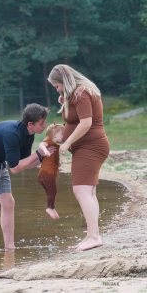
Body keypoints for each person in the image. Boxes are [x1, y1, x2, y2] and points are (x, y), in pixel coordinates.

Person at [0, 103, 55, 252]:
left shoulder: (29, 134)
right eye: (42, 123)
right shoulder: (12, 134)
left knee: (9, 203)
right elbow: (15, 168)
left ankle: (10, 248)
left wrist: (43, 158)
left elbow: (24, 164)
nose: (45, 126)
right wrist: (38, 154)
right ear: (31, 124)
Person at [48, 64, 110, 251]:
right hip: (88, 147)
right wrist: (65, 101)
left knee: (81, 191)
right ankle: (93, 234)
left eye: (57, 86)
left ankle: (94, 236)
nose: (56, 89)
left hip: (90, 147)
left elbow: (86, 123)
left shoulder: (81, 93)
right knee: (88, 192)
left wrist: (66, 143)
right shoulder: (76, 94)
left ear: (64, 81)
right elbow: (75, 118)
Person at [38, 123, 64, 219]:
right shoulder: (49, 142)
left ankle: (51, 207)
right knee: (53, 191)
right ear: (54, 135)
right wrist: (45, 151)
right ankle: (50, 208)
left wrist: (59, 164)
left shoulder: (56, 146)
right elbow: (41, 144)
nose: (64, 136)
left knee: (51, 192)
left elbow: (53, 160)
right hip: (46, 174)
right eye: (62, 134)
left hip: (45, 175)